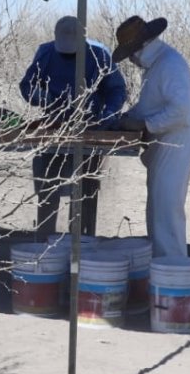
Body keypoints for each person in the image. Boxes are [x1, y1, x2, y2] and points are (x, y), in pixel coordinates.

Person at [19, 15, 126, 239]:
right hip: (53, 127)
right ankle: (44, 240)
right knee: (48, 187)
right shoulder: (45, 52)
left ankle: (82, 240)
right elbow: (27, 85)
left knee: (84, 190)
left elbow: (116, 90)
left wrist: (106, 116)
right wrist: (41, 96)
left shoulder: (100, 55)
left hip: (90, 127)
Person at [111, 15, 190, 259]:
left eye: (131, 53)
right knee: (159, 212)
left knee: (167, 214)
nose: (131, 59)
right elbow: (150, 104)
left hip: (175, 144)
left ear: (141, 48)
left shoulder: (170, 64)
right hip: (164, 145)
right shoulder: (158, 65)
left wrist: (144, 124)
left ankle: (173, 272)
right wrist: (127, 118)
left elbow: (181, 111)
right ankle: (164, 270)